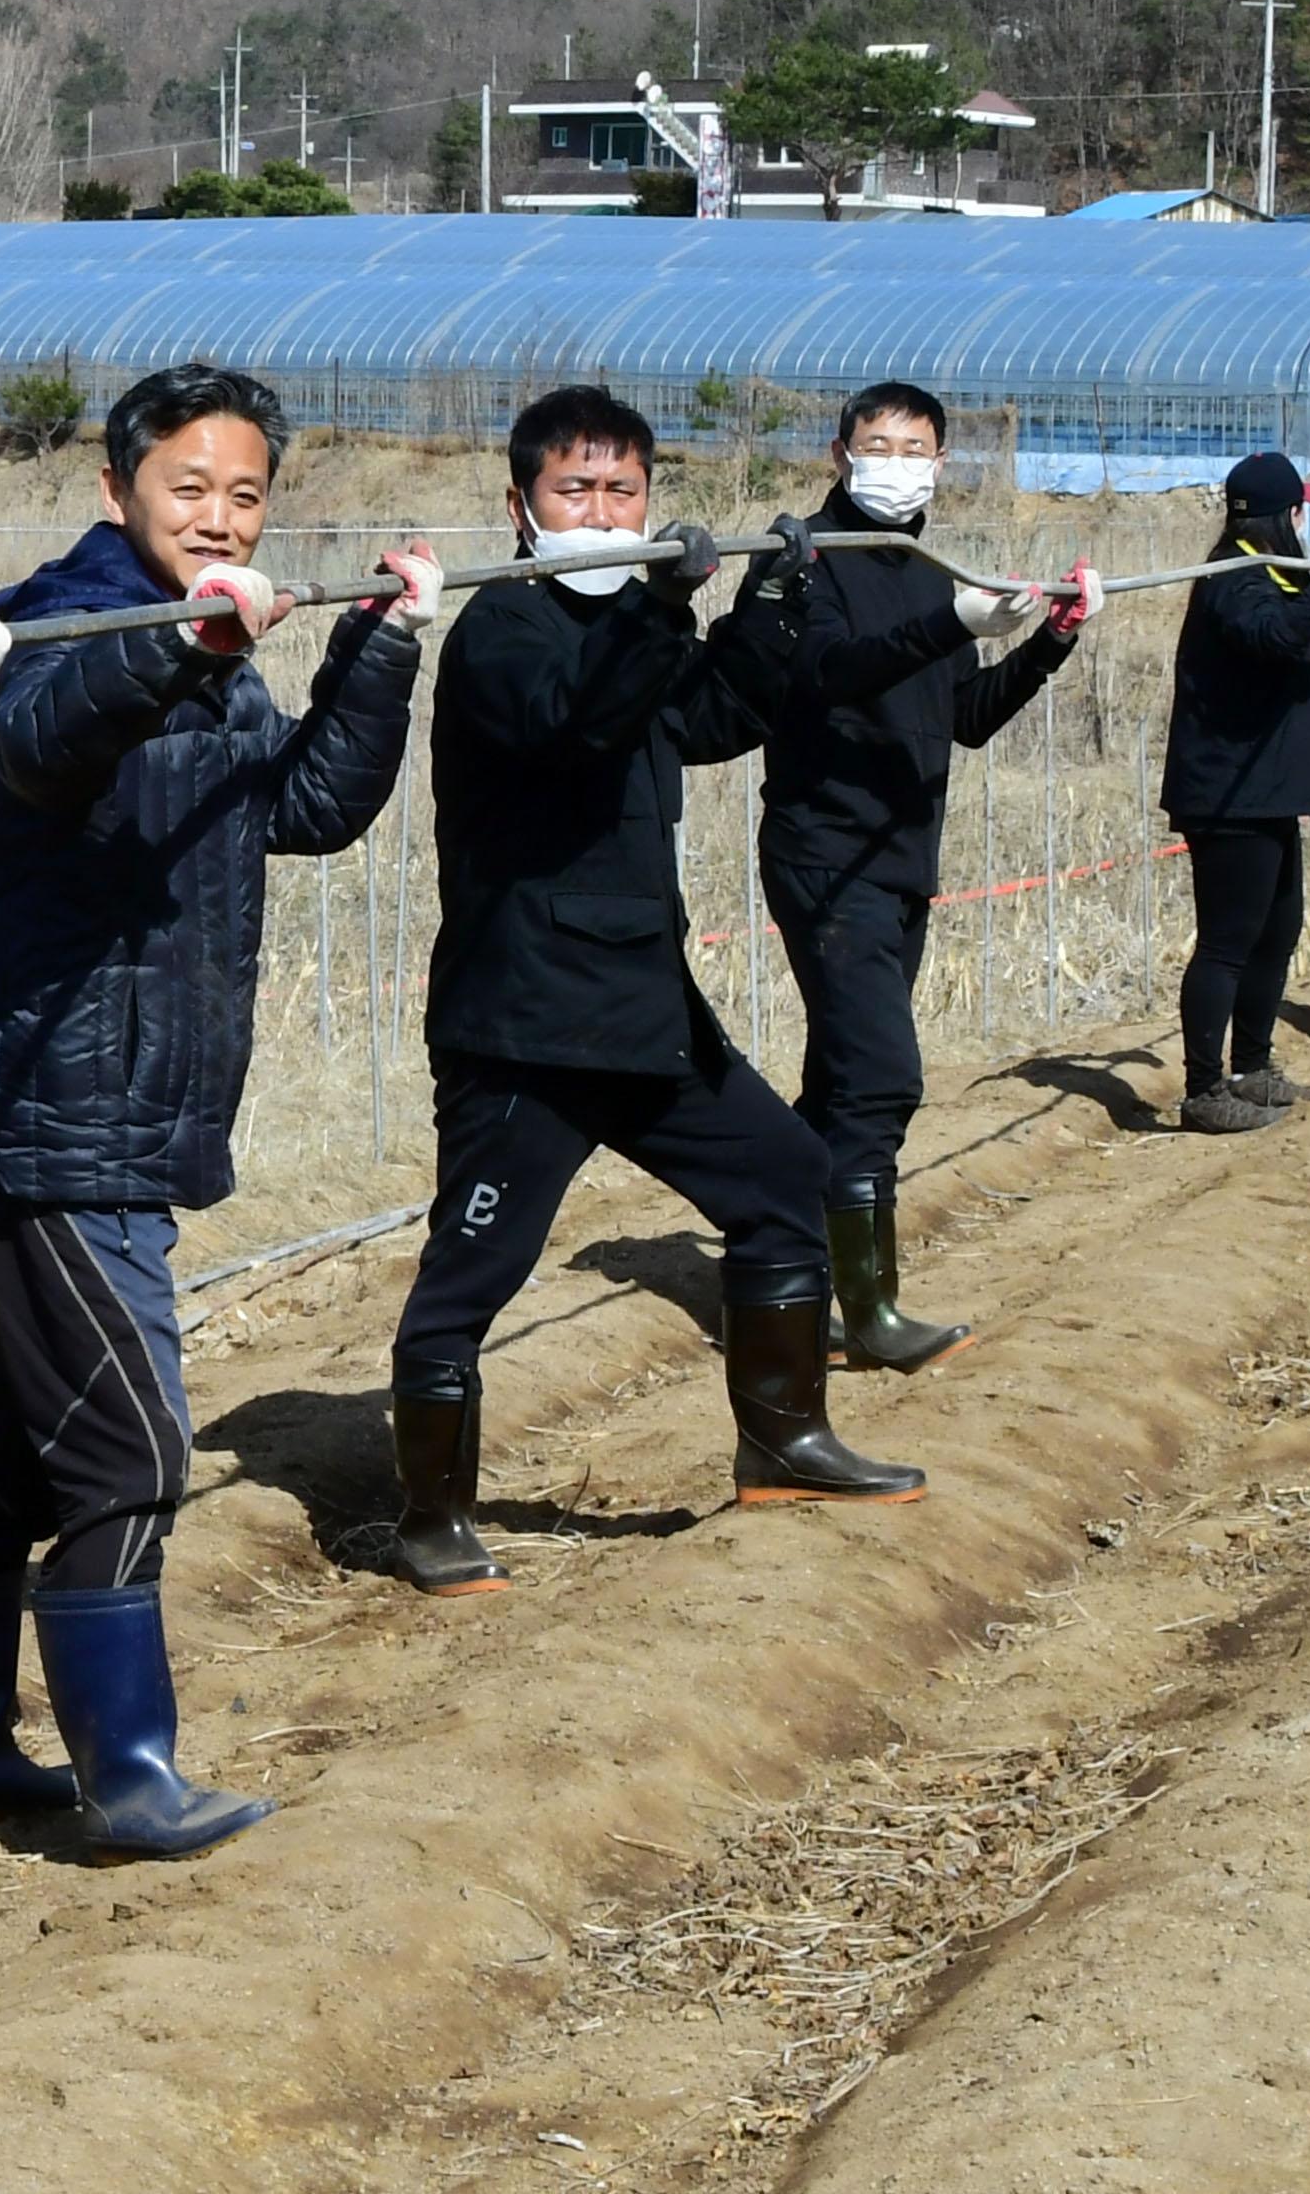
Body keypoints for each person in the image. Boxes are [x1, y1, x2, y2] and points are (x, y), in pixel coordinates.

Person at [0, 363, 433, 1858]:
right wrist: (180, 648)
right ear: (117, 492)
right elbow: (46, 735)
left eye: (246, 495)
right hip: (56, 1110)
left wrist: (379, 651)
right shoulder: (66, 621)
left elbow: (302, 811)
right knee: (135, 1450)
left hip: (150, 1109)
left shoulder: (220, 636)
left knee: (21, 1459)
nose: (219, 517)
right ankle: (127, 1774)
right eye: (188, 489)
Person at [380, 383, 931, 1595]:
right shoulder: (501, 633)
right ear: (521, 504)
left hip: (642, 1005)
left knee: (785, 1175)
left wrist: (769, 606)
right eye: (576, 488)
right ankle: (429, 1513)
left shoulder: (637, 617)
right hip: (525, 1019)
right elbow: (579, 727)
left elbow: (710, 717)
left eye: (622, 489)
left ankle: (784, 1437)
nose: (602, 509)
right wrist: (667, 605)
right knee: (473, 1269)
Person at [706, 381, 1093, 1360]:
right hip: (824, 853)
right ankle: (867, 1314)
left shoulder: (931, 566)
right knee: (882, 1077)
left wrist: (1049, 640)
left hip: (903, 853)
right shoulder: (804, 557)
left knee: (845, 1080)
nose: (895, 460)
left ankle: (775, 1240)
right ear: (840, 453)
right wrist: (953, 621)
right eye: (876, 443)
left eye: (914, 446)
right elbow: (829, 671)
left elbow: (964, 718)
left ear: (942, 462)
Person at [1156, 451, 1310, 1132]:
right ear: (1286, 514)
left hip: (1267, 790)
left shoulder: (1268, 571)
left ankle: (1253, 1068)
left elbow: (1297, 628)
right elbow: (1279, 635)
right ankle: (1204, 1090)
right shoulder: (1236, 576)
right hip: (1230, 794)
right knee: (1228, 943)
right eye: (1299, 511)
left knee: (1276, 931)